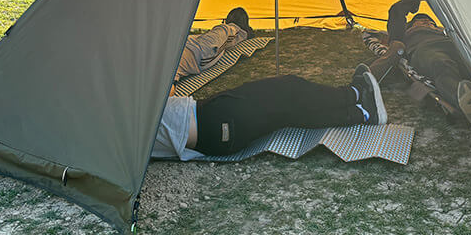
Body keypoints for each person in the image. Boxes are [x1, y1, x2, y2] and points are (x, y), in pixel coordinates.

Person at [152, 65, 387, 160]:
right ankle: (354, 94)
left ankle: (361, 113)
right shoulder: (119, 128)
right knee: (288, 88)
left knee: (288, 114)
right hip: (211, 123)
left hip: (208, 128)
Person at [370, 0, 471, 132]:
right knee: (441, 64)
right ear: (410, 26)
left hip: (454, 47)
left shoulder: (446, 32)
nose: (426, 22)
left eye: (429, 22)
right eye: (419, 21)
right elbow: (396, 12)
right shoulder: (402, 33)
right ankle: (466, 103)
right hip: (425, 49)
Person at [175, 7, 254, 82]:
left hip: (195, 48)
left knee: (225, 32)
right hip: (193, 48)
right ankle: (239, 28)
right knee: (225, 33)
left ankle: (237, 27)